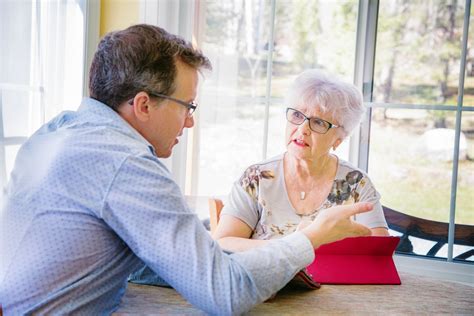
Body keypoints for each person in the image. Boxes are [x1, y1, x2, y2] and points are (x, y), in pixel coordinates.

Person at [0, 25, 372, 314]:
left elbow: (143, 260)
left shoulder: (54, 133)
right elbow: (225, 294)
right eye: (187, 106)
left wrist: (245, 259)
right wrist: (308, 239)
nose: (189, 123)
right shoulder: (126, 164)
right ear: (143, 105)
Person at [213, 70, 389, 252]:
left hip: (331, 281)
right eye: (297, 115)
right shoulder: (256, 178)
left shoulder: (357, 183)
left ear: (339, 139)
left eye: (319, 122)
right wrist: (296, 246)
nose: (303, 129)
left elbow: (378, 252)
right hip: (268, 279)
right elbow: (223, 242)